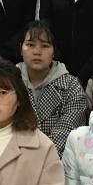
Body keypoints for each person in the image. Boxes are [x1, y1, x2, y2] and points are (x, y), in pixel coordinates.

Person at [17, 21, 87, 156]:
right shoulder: (8, 82)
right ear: (21, 49)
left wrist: (38, 158)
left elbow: (66, 132)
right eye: (30, 45)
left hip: (57, 161)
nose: (37, 52)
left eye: (45, 46)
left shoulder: (71, 86)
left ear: (54, 50)